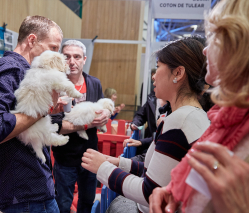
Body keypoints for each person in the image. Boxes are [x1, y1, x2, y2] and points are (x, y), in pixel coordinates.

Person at [81, 37, 211, 213]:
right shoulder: (191, 116)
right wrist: (118, 162)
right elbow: (160, 172)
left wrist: (103, 168)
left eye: (158, 68)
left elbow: (150, 192)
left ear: (178, 73)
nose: (153, 75)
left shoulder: (180, 121)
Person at [149, 0, 249, 212]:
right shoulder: (224, 119)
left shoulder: (185, 118)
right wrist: (176, 190)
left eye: (213, 35)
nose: (205, 50)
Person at [0, 16, 64, 213]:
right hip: (25, 195)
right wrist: (43, 109)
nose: (57, 56)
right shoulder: (11, 69)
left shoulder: (28, 72)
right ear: (32, 40)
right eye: (53, 48)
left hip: (32, 188)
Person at [50, 40, 111, 213]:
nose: (72, 61)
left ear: (84, 59)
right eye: (67, 56)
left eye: (77, 57)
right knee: (63, 204)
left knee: (87, 201)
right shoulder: (56, 86)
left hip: (90, 154)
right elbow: (55, 125)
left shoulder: (94, 83)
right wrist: (90, 122)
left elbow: (101, 108)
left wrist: (105, 114)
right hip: (65, 157)